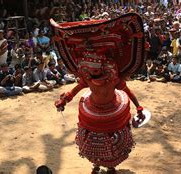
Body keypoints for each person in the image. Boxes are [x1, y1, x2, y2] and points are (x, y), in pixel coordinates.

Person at [52, 13, 149, 173]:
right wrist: (65, 99)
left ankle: (111, 166)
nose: (95, 74)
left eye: (98, 70)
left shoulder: (113, 80)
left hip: (113, 109)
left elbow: (128, 91)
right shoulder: (89, 79)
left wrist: (139, 107)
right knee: (92, 141)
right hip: (92, 109)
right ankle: (96, 165)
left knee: (113, 141)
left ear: (107, 68)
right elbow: (75, 90)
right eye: (90, 70)